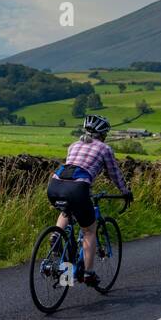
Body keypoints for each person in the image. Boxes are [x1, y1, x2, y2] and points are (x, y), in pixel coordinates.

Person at [46, 114, 133, 288]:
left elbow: (75, 166)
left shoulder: (74, 145)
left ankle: (57, 238)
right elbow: (114, 174)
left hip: (55, 185)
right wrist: (125, 192)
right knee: (89, 231)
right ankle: (88, 273)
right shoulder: (104, 149)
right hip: (78, 189)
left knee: (66, 211)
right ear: (103, 134)